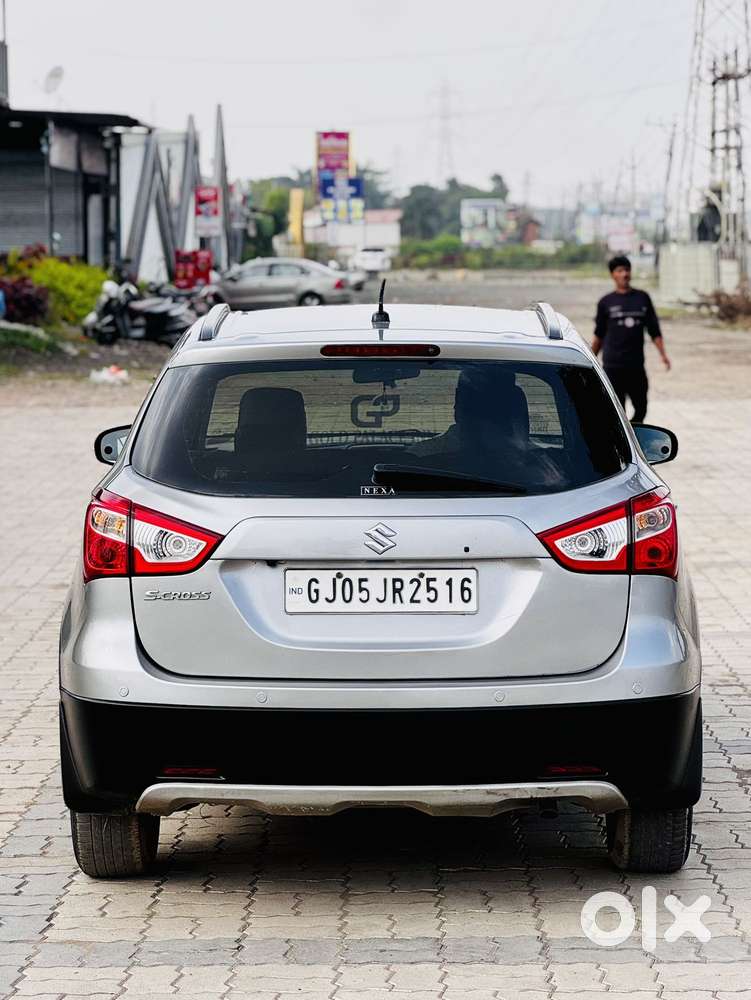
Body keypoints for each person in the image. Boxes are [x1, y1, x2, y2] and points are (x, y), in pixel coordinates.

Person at [591, 255, 670, 422]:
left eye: (626, 270)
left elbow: (654, 329)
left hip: (636, 366)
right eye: (620, 271)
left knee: (641, 407)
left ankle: (634, 433)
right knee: (617, 412)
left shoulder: (642, 298)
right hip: (613, 366)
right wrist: (591, 360)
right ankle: (625, 443)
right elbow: (599, 334)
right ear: (613, 275)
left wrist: (663, 355)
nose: (624, 274)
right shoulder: (605, 302)